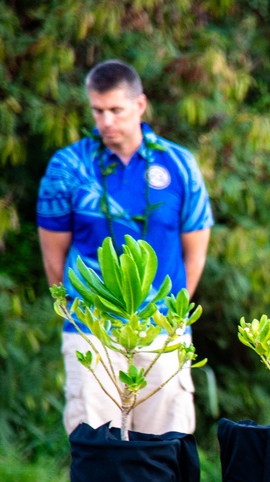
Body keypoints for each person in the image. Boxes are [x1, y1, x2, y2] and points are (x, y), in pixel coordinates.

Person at [37, 59, 214, 436]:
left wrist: (173, 317)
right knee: (97, 451)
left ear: (140, 105)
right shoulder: (68, 166)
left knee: (165, 450)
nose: (106, 122)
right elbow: (54, 256)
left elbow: (195, 252)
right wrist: (76, 314)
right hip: (92, 329)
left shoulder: (180, 164)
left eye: (116, 110)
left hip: (163, 331)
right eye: (98, 111)